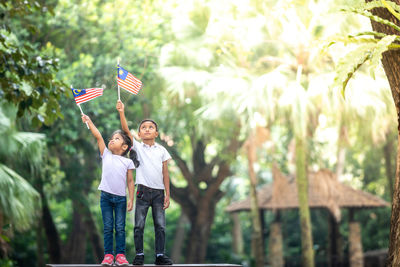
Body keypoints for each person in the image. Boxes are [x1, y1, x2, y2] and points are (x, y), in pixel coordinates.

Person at [116, 100, 173, 265]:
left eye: (151, 127)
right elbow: (126, 130)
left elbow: (165, 174)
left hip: (159, 193)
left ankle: (160, 256)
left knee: (160, 226)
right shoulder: (138, 148)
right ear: (139, 134)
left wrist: (167, 194)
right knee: (139, 225)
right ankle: (139, 254)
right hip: (142, 192)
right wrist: (121, 112)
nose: (147, 129)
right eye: (143, 127)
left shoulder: (162, 150)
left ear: (156, 133)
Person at [81, 114, 139, 266]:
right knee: (108, 227)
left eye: (117, 138)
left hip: (121, 198)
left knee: (120, 227)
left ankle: (120, 256)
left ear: (125, 147)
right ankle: (108, 256)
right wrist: (89, 121)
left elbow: (131, 181)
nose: (112, 140)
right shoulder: (105, 154)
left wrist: (131, 199)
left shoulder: (127, 162)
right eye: (112, 138)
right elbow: (99, 136)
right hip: (105, 197)